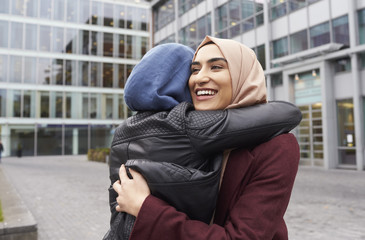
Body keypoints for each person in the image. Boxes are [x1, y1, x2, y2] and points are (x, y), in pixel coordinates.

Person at [111, 38, 301, 240]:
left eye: (216, 67)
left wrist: (144, 207)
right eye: (194, 70)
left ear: (241, 75)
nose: (199, 78)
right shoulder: (184, 132)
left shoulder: (276, 146)